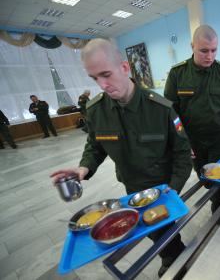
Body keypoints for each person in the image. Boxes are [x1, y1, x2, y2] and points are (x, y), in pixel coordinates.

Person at [50, 39, 192, 277]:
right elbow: (95, 146)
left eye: (106, 74)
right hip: (132, 185)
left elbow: (182, 152)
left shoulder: (160, 108)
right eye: (94, 78)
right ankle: (171, 255)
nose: (102, 84)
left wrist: (173, 188)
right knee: (151, 228)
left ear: (125, 68)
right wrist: (84, 168)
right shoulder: (96, 110)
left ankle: (174, 257)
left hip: (163, 184)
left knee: (163, 226)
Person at [164, 25, 220, 213]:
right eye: (204, 50)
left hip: (219, 138)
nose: (209, 56)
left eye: (213, 50)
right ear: (192, 46)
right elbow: (171, 115)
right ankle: (210, 189)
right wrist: (182, 142)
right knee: (205, 179)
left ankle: (217, 214)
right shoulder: (178, 74)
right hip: (192, 141)